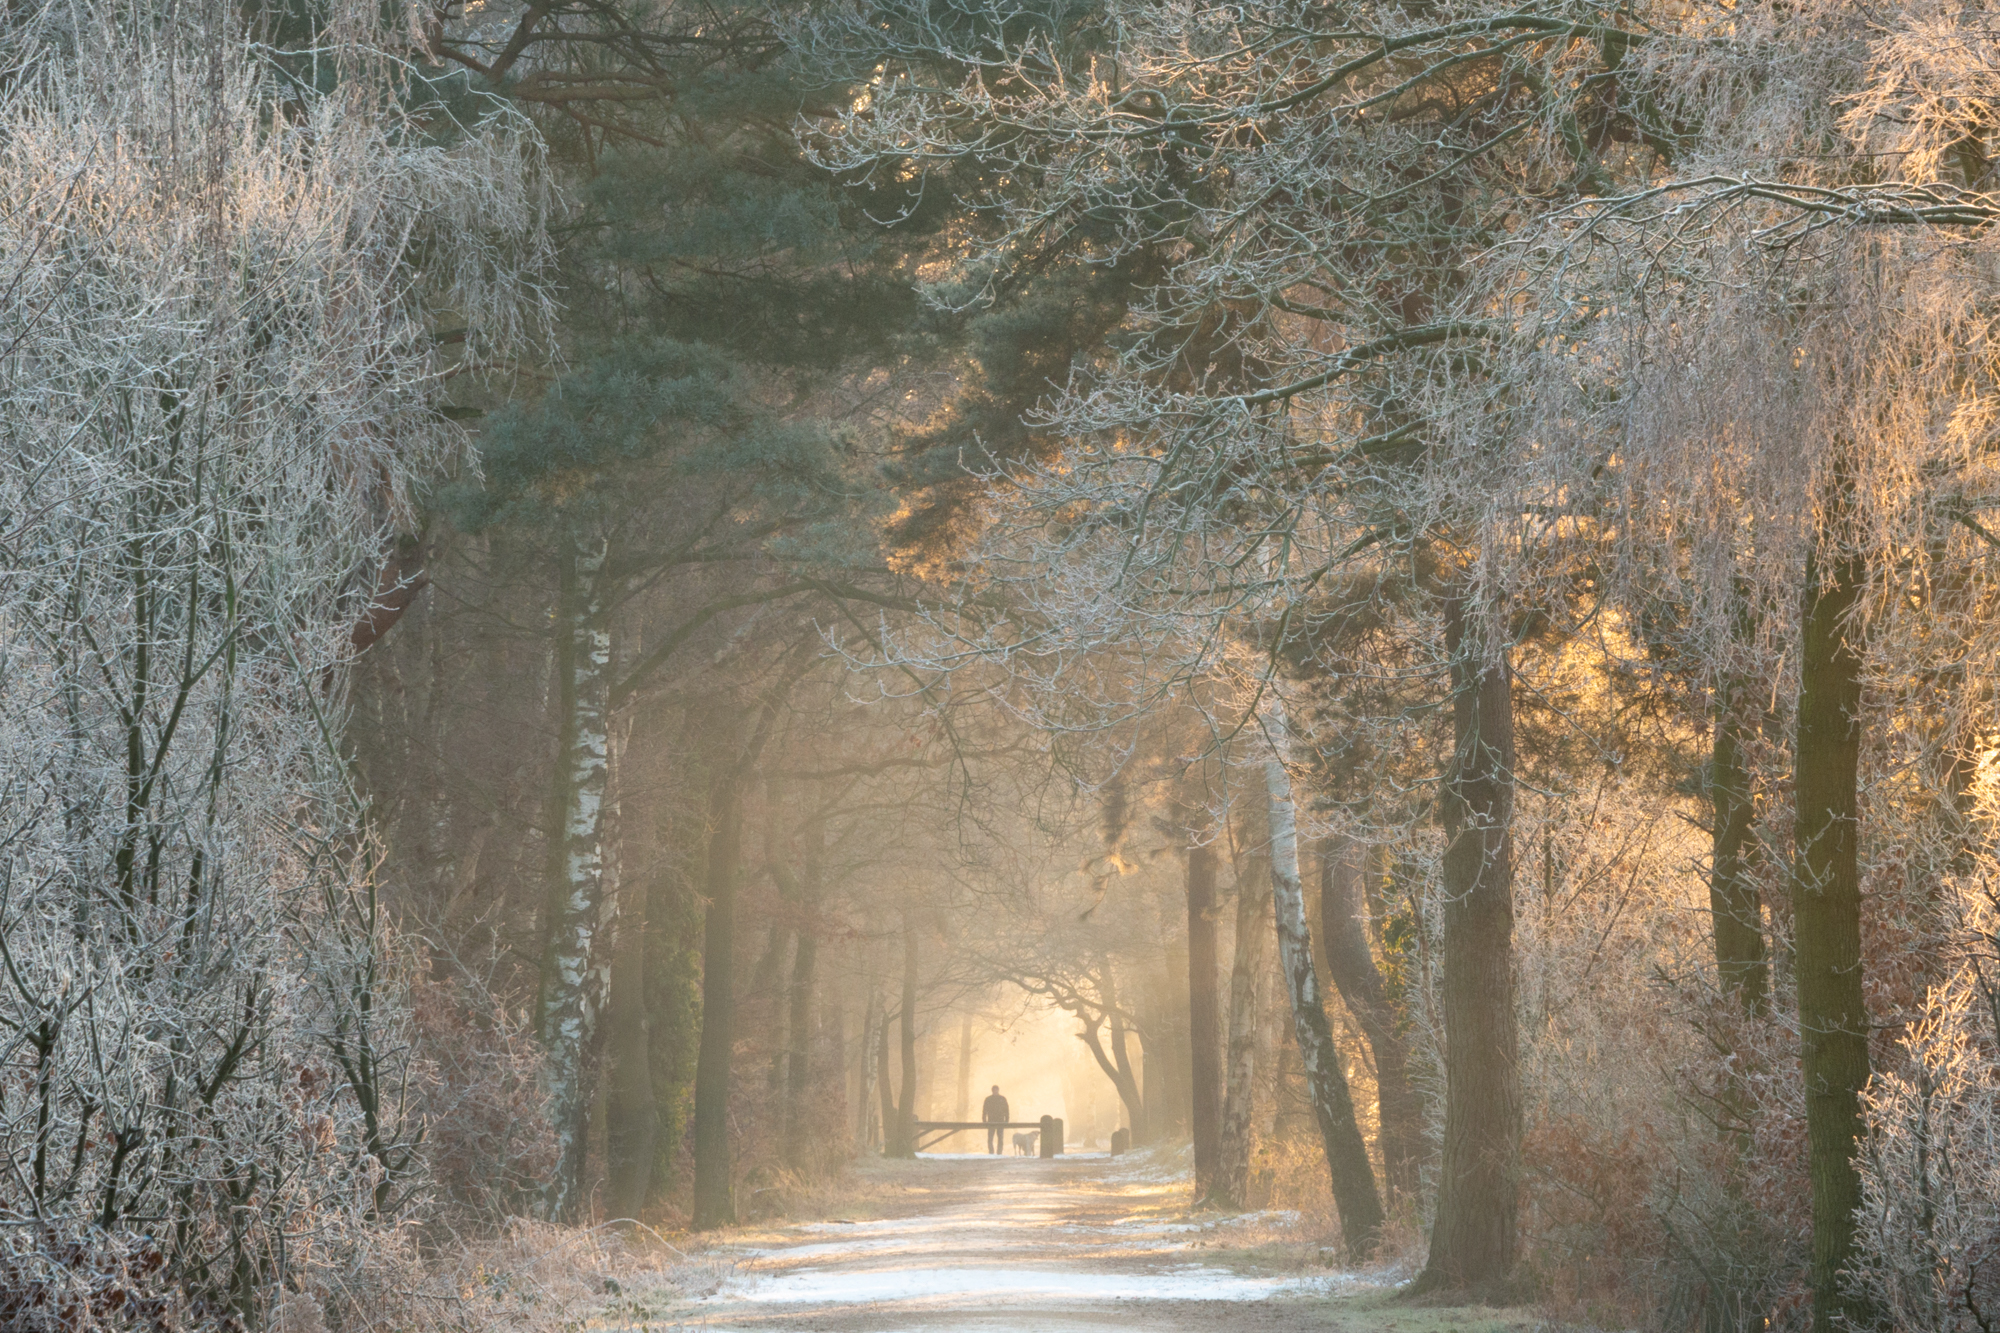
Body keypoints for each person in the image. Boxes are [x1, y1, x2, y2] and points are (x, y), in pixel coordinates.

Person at [981, 1085, 1009, 1154]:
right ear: (992, 1090)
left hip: (1000, 1121)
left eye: (996, 1090)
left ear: (998, 1090)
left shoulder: (1002, 1099)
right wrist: (984, 1120)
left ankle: (999, 1152)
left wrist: (1006, 1120)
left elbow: (1006, 1110)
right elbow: (984, 1110)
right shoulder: (988, 1099)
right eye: (994, 1090)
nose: (995, 1091)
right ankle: (991, 1152)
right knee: (990, 1138)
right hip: (991, 1121)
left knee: (1000, 1138)